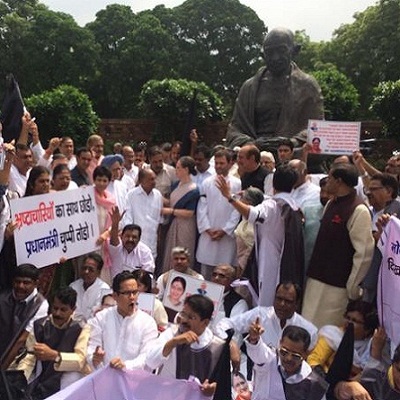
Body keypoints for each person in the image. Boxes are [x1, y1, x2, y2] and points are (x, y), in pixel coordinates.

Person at [217, 164, 303, 307]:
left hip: (270, 262)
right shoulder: (294, 205)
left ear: (273, 182)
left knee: (266, 303)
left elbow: (252, 214)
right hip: (288, 263)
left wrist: (229, 197)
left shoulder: (272, 205)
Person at [226, 27, 323, 150]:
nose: (275, 57)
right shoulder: (249, 88)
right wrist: (252, 145)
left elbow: (318, 128)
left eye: (281, 50)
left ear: (294, 51)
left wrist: (290, 143)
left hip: (290, 154)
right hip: (254, 154)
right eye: (269, 52)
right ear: (263, 55)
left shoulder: (307, 85)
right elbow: (234, 130)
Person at [303, 163, 375, 328]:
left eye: (330, 178)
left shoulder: (359, 210)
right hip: (315, 278)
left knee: (325, 333)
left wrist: (352, 286)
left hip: (337, 287)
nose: (326, 181)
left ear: (339, 181)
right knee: (305, 328)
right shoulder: (330, 204)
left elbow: (364, 253)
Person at [145, 294, 227, 398]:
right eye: (183, 314)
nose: (184, 320)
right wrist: (172, 343)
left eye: (191, 317)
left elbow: (223, 382)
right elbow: (150, 362)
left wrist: (213, 388)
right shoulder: (172, 333)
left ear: (205, 322)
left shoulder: (216, 347)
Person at [19, 287, 90, 399]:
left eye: (63, 310)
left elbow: (81, 360)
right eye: (55, 308)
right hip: (41, 382)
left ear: (73, 310)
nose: (57, 313)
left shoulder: (81, 327)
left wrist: (54, 356)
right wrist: (21, 379)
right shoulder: (40, 325)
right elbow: (29, 356)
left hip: (68, 382)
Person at [87, 271, 158, 371]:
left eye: (135, 292)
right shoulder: (101, 318)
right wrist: (94, 358)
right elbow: (92, 349)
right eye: (127, 293)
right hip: (104, 375)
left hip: (132, 378)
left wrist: (125, 366)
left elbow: (146, 357)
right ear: (115, 296)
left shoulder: (148, 323)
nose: (132, 297)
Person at [216, 282, 317, 351]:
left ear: (297, 304)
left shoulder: (309, 330)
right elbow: (224, 324)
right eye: (279, 299)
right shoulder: (259, 315)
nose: (282, 304)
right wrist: (230, 343)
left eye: (288, 301)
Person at [245, 323, 328, 400]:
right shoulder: (269, 359)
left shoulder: (314, 383)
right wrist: (254, 339)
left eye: (295, 356)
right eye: (284, 352)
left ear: (306, 354)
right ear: (280, 343)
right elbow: (257, 351)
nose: (288, 358)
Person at [196, 149, 241, 279]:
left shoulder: (236, 183)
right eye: (216, 163)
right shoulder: (207, 182)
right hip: (208, 234)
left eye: (222, 163)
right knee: (206, 275)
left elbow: (236, 209)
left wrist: (225, 230)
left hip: (226, 237)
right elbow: (202, 207)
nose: (218, 166)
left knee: (225, 273)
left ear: (230, 163)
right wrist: (207, 229)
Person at [308, 300, 379, 377]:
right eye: (347, 318)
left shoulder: (373, 346)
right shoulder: (332, 335)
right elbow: (314, 360)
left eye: (354, 321)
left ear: (367, 329)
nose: (348, 322)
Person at [0, 264, 48, 369]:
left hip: (21, 356)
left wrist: (2, 368)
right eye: (17, 282)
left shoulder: (40, 305)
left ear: (36, 283)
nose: (20, 286)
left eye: (26, 283)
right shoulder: (3, 298)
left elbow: (22, 340)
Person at [162, 156, 200, 272]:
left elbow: (190, 212)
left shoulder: (194, 189)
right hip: (174, 223)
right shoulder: (176, 185)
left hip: (186, 225)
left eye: (178, 168)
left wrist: (171, 211)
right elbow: (172, 202)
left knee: (183, 251)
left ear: (186, 169)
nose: (176, 170)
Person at [124, 168, 163, 259]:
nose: (154, 182)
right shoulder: (131, 195)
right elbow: (128, 219)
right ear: (142, 180)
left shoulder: (158, 195)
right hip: (135, 243)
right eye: (151, 179)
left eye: (154, 179)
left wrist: (158, 237)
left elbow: (159, 219)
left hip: (152, 242)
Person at [108, 206, 155, 277]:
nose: (130, 239)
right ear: (121, 236)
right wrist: (115, 223)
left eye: (134, 237)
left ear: (139, 239)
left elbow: (147, 276)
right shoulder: (117, 249)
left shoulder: (145, 252)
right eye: (127, 236)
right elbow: (114, 239)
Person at [69, 253, 111, 322]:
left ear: (98, 272)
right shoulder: (73, 286)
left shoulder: (104, 290)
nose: (86, 272)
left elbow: (99, 316)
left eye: (91, 270)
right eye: (84, 268)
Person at [92, 165, 116, 285]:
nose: (101, 183)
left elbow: (116, 222)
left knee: (102, 274)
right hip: (89, 244)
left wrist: (106, 234)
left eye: (104, 180)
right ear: (94, 180)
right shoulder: (87, 196)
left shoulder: (111, 200)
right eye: (99, 180)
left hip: (103, 243)